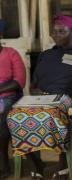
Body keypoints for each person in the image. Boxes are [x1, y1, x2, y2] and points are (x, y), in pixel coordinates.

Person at [6, 15, 72, 179]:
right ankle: (34, 163)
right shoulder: (45, 55)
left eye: (62, 31)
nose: (56, 35)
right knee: (13, 117)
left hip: (68, 99)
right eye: (54, 32)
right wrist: (35, 92)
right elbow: (35, 83)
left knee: (53, 116)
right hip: (42, 99)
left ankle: (63, 162)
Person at [0, 19, 26, 179]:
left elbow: (19, 82)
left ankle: (3, 164)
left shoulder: (11, 53)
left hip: (9, 96)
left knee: (2, 120)